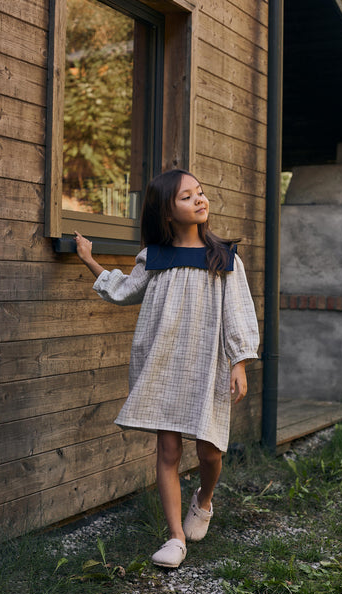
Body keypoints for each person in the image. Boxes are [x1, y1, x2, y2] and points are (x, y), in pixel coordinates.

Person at [74, 169, 259, 568]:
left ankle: (204, 501)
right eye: (187, 196)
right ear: (166, 212)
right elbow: (124, 291)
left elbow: (239, 314)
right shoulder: (154, 257)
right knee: (169, 449)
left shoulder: (224, 258)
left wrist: (239, 363)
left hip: (208, 364)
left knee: (210, 453)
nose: (199, 200)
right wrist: (90, 260)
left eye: (201, 192)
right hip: (164, 363)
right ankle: (176, 537)